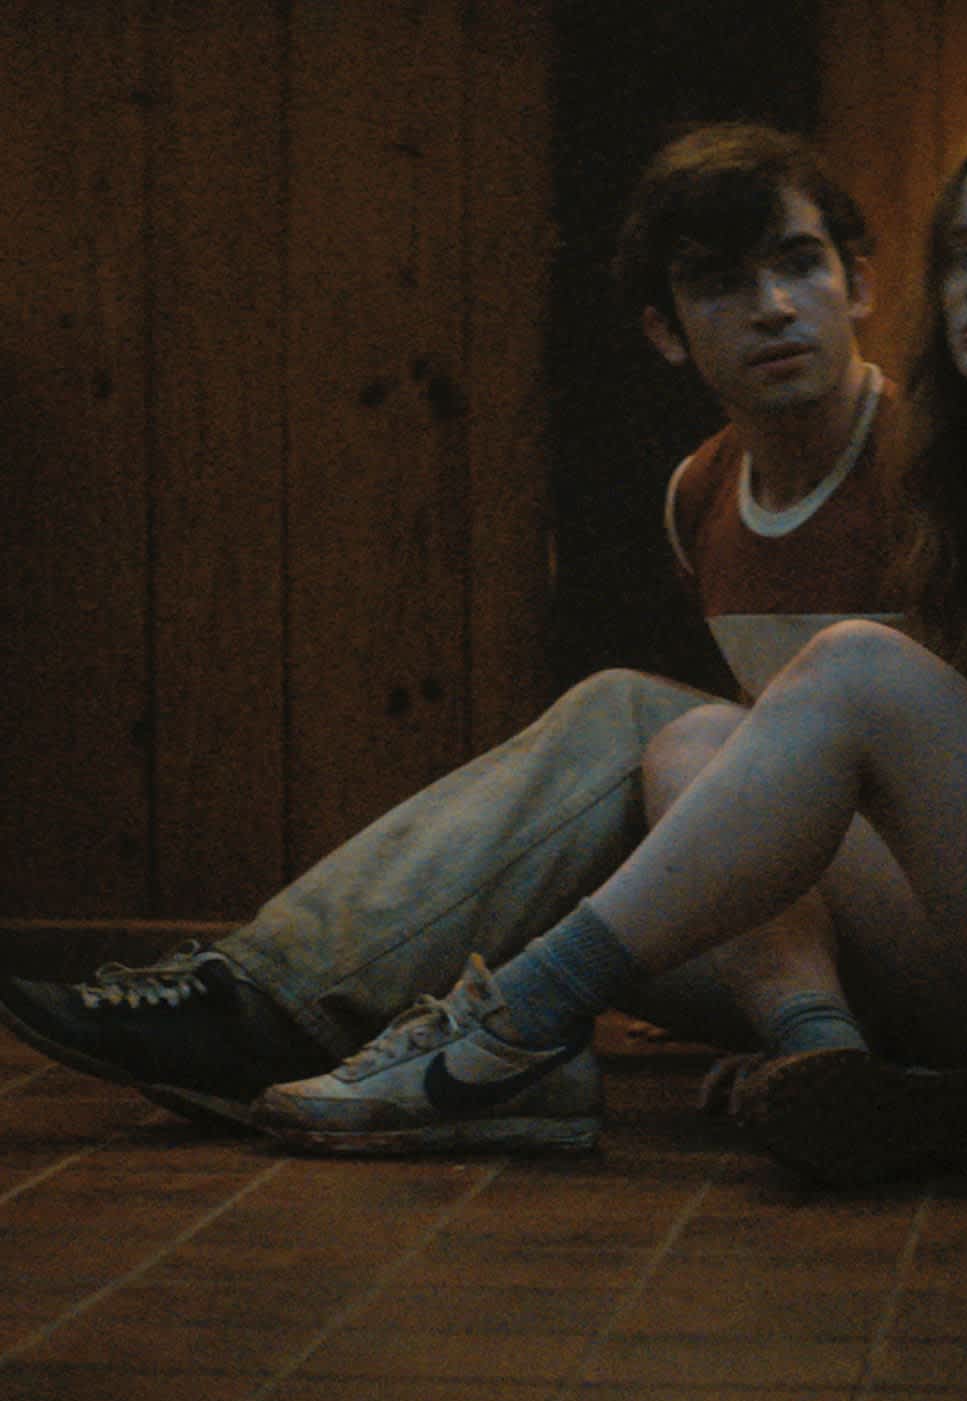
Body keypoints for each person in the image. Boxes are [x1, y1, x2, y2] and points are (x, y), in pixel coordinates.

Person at [248, 116, 967, 1185]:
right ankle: (827, 1058)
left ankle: (508, 1027)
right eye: (964, 254)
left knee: (854, 668)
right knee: (692, 744)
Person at [0, 122, 905, 1131]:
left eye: (799, 263)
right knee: (557, 868)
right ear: (665, 331)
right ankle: (599, 1055)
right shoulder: (701, 490)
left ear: (858, 283)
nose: (773, 306)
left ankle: (265, 1004)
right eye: (722, 284)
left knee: (640, 720)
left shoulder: (938, 462)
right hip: (844, 937)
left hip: (966, 932)